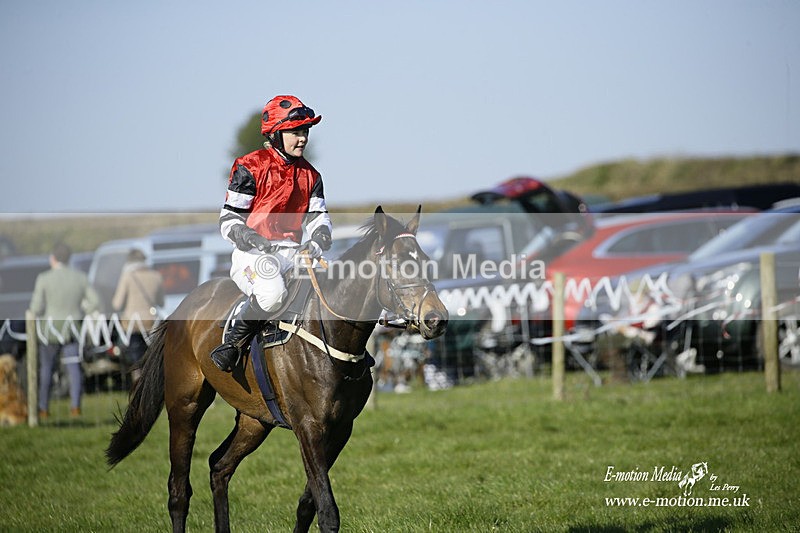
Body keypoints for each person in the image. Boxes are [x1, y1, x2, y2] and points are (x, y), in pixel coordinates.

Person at [210, 94, 333, 372]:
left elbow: (319, 219)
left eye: (305, 132)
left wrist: (318, 240)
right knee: (273, 294)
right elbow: (229, 219)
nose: (302, 139)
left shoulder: (312, 176)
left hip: (293, 254)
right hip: (253, 254)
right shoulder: (249, 166)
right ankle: (232, 344)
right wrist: (251, 237)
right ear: (276, 134)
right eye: (295, 132)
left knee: (335, 287)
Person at [29, 242, 101, 418]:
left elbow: (35, 307)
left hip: (50, 331)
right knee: (74, 368)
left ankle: (43, 408)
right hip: (72, 329)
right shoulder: (80, 277)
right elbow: (95, 301)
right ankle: (75, 407)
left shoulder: (44, 278)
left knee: (47, 369)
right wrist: (82, 312)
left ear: (53, 258)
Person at [112, 248, 164, 384]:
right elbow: (161, 302)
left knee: (135, 357)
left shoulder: (128, 276)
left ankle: (137, 382)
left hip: (132, 323)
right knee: (150, 355)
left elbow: (117, 303)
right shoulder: (156, 276)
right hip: (151, 322)